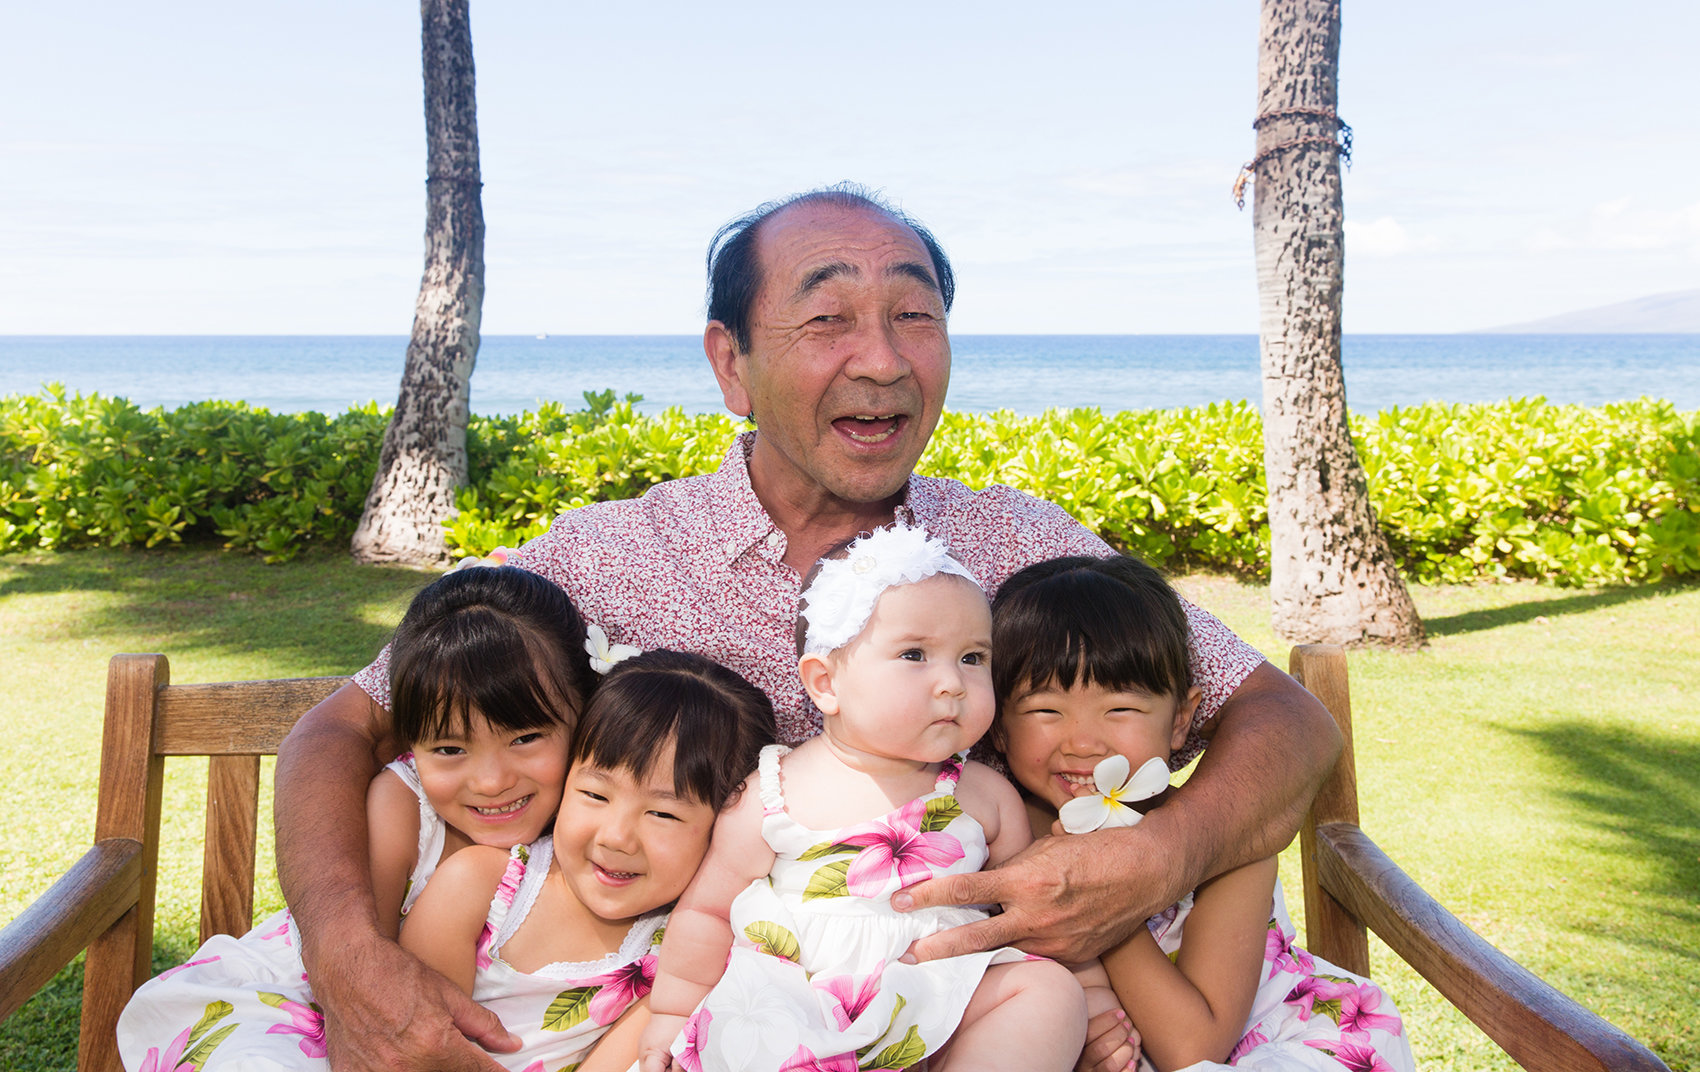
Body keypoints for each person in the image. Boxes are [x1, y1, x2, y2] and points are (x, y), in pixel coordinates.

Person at [275, 184, 1341, 1072]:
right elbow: (340, 732)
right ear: (730, 363)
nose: (881, 360)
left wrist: (1160, 855)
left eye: (913, 317)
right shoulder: (610, 556)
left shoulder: (1018, 547)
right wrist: (347, 952)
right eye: (825, 319)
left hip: (957, 1002)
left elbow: (1279, 719)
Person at [638, 525, 1109, 1072]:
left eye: (974, 658)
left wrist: (1091, 997)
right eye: (915, 654)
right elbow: (707, 913)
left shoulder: (986, 796)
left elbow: (1037, 912)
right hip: (801, 1014)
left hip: (942, 1004)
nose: (953, 683)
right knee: (753, 1029)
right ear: (825, 683)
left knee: (1045, 991)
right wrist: (671, 1015)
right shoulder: (773, 791)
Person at [117, 564, 596, 1071]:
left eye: (524, 738)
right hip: (307, 1005)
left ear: (581, 717)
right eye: (450, 748)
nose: (491, 781)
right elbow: (363, 986)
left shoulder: (600, 828)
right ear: (410, 744)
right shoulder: (403, 806)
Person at [990, 555, 1413, 1072]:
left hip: (1277, 1045)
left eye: (1120, 708)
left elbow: (1193, 1049)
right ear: (999, 726)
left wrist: (1102, 903)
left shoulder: (1229, 839)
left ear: (1180, 721)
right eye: (1044, 710)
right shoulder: (994, 829)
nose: (1082, 743)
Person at [401, 649, 775, 1072]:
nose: (616, 837)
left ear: (725, 828)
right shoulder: (477, 887)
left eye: (663, 814)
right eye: (595, 794)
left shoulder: (680, 964)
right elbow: (405, 1039)